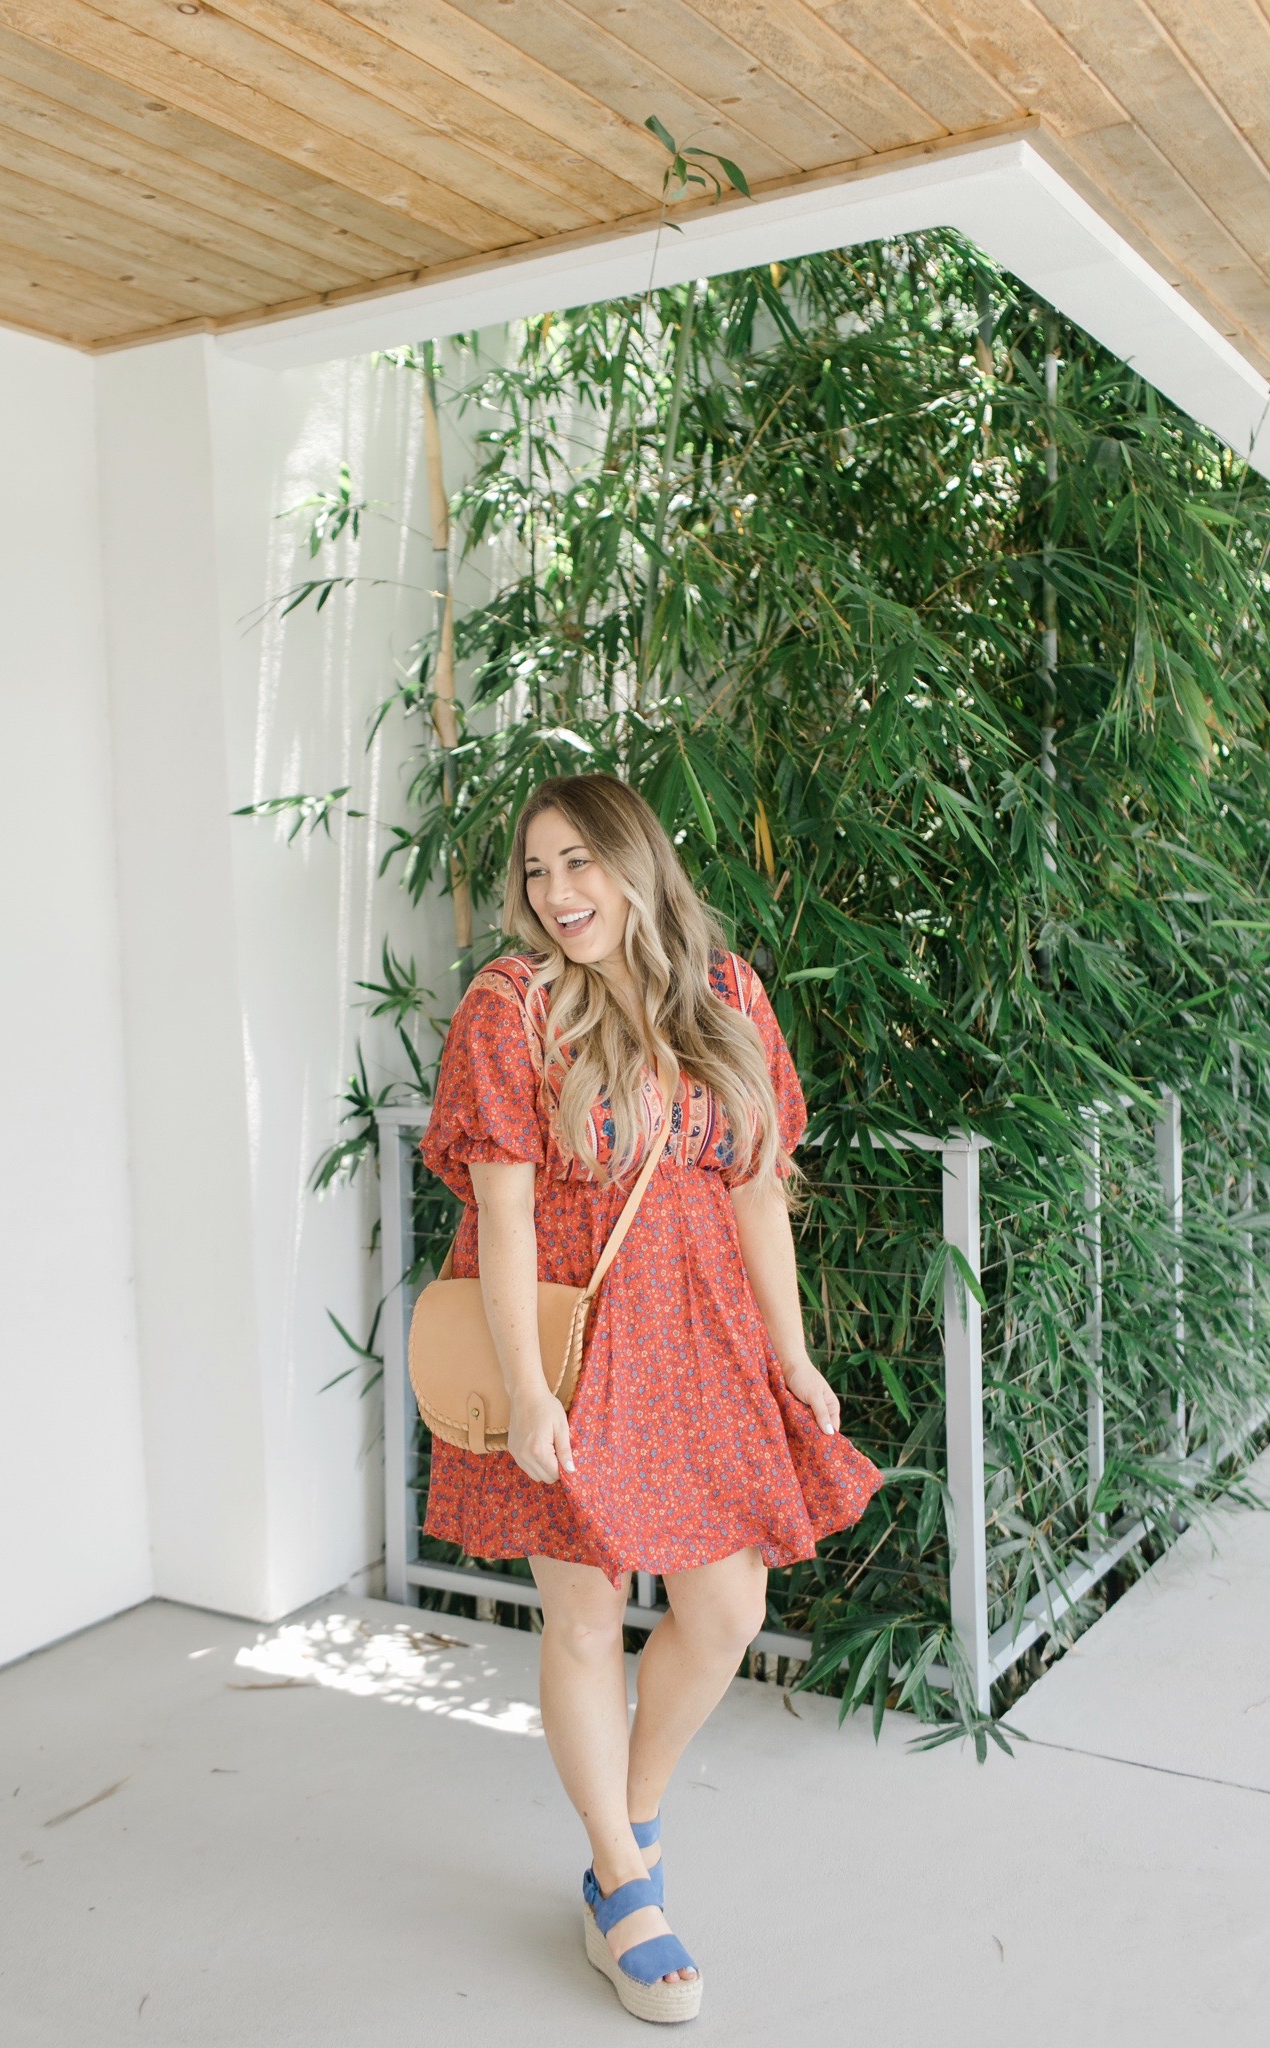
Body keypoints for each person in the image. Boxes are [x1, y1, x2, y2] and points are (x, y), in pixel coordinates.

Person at [419, 773, 882, 2024]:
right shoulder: (510, 1009)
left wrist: (792, 1356)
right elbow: (502, 1215)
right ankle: (625, 1886)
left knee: (728, 1602)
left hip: (704, 1339)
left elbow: (756, 1190)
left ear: (637, 862)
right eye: (536, 871)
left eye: (580, 863)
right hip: (571, 1342)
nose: (556, 893)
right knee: (583, 1615)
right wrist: (524, 1385)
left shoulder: (726, 993)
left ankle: (629, 1817)